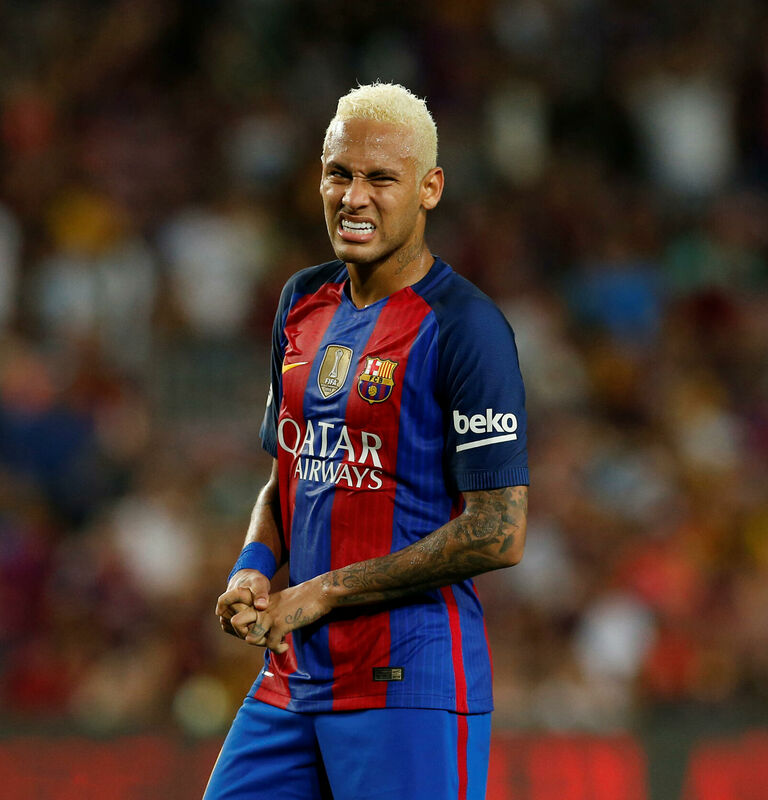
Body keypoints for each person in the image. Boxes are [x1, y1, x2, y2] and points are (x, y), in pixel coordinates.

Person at [205, 82, 529, 800]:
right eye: (338, 174)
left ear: (429, 188)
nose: (354, 197)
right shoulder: (301, 301)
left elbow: (499, 532)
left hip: (406, 679)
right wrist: (253, 569)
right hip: (294, 676)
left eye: (381, 178)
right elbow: (288, 474)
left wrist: (323, 591)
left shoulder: (466, 327)